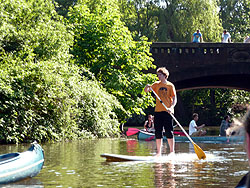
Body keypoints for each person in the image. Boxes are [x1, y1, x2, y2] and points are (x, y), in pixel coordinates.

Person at [144, 67, 177, 156]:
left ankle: (171, 152)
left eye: (160, 75)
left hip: (168, 112)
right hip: (158, 111)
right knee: (158, 131)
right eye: (158, 75)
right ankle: (158, 152)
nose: (158, 76)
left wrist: (171, 107)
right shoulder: (156, 84)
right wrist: (146, 87)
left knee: (169, 131)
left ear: (165, 75)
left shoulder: (170, 86)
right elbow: (146, 91)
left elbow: (174, 99)